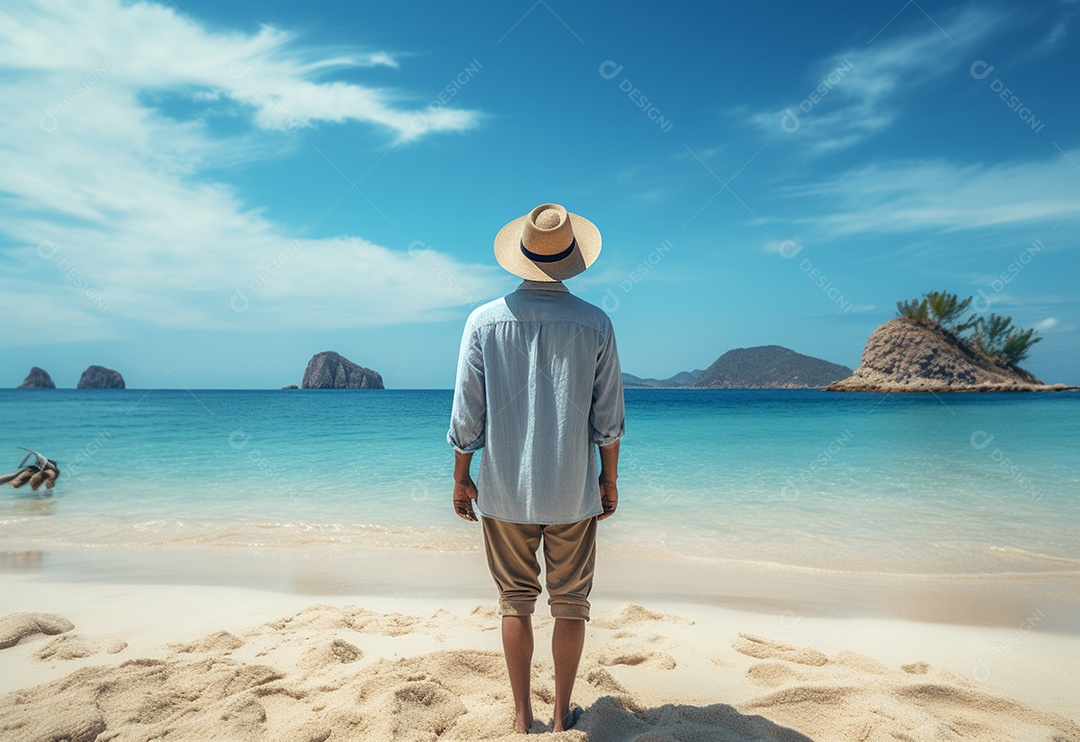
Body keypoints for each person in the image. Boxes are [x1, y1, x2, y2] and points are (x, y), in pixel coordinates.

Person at [447, 203, 625, 734]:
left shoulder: (483, 321)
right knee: (572, 604)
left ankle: (523, 718)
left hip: (504, 491)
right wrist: (608, 479)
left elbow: (467, 412)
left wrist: (461, 476)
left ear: (519, 256)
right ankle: (560, 712)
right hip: (573, 490)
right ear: (572, 256)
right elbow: (608, 416)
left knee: (514, 603)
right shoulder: (596, 322)